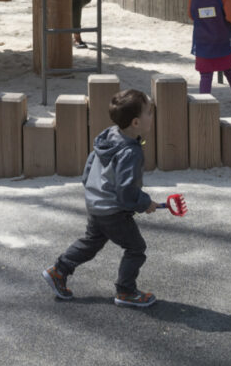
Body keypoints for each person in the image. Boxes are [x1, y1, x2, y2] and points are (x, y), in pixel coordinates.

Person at [42, 89, 159, 309]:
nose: (151, 116)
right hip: (113, 210)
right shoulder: (130, 152)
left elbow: (88, 169)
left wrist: (93, 191)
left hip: (96, 203)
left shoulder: (109, 136)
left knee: (91, 243)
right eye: (149, 113)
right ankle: (126, 291)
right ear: (136, 122)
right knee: (136, 248)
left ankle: (58, 271)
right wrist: (145, 203)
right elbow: (126, 192)